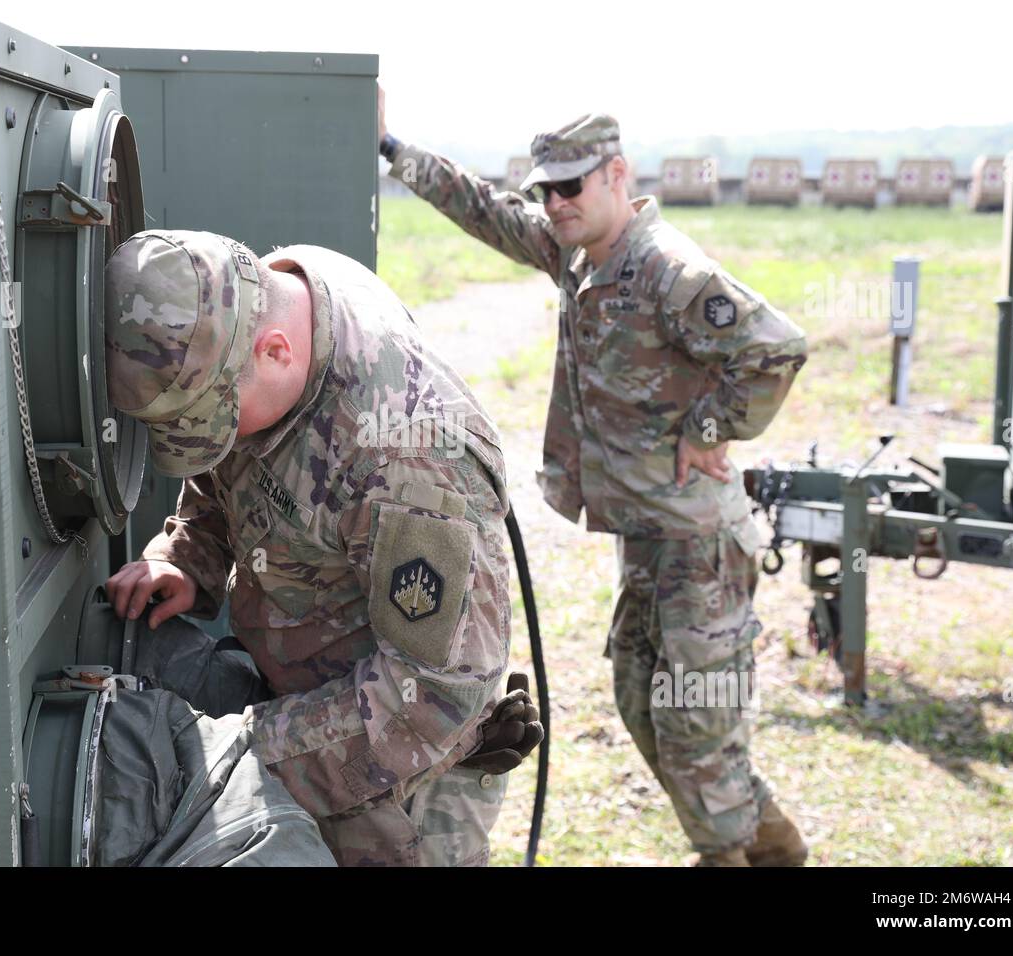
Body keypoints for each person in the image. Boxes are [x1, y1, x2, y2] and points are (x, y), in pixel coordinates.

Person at [380, 102, 810, 866]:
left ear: (618, 175)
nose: (555, 204)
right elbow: (485, 208)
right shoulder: (578, 254)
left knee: (691, 729)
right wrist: (389, 147)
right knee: (645, 712)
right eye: (545, 191)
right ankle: (772, 847)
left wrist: (706, 429)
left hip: (699, 544)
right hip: (646, 537)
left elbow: (774, 348)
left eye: (571, 187)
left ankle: (739, 854)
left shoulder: (666, 269)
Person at [100, 229, 539, 866]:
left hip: (397, 792)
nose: (209, 436)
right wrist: (191, 554)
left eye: (214, 415)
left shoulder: (411, 458)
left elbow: (432, 700)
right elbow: (228, 456)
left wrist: (237, 753)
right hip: (303, 705)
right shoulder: (273, 295)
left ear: (275, 351)